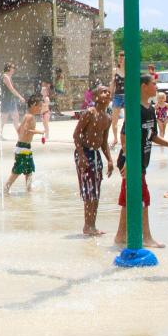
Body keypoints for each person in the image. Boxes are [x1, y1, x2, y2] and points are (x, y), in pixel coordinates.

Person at [113, 73, 168, 248]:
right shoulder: (135, 109)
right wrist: (127, 160)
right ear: (144, 86)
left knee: (128, 199)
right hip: (131, 162)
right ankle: (147, 238)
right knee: (144, 199)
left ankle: (120, 236)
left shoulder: (150, 109)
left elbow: (152, 135)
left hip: (140, 161)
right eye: (153, 84)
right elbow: (124, 136)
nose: (156, 87)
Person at [73, 85, 115, 236]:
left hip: (96, 154)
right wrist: (82, 156)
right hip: (84, 153)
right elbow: (76, 134)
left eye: (109, 92)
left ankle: (92, 225)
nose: (107, 94)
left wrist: (109, 160)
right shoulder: (89, 113)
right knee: (88, 190)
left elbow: (104, 142)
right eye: (103, 91)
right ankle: (87, 225)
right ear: (96, 96)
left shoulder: (108, 118)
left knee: (96, 190)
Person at [4, 94, 46, 196]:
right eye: (39, 106)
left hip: (23, 146)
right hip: (23, 147)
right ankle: (5, 189)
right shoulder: (30, 117)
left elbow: (19, 130)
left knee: (28, 169)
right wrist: (39, 132)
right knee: (18, 170)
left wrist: (22, 139)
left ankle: (29, 189)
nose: (41, 108)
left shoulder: (26, 116)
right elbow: (27, 130)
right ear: (33, 105)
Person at [0, 63, 25, 140]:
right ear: (8, 68)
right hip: (6, 100)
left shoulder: (9, 77)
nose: (14, 69)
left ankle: (19, 135)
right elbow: (11, 89)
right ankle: (0, 135)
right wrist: (20, 97)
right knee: (4, 118)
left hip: (11, 100)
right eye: (13, 68)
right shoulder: (5, 77)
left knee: (16, 117)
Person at [109, 51, 126, 147]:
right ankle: (115, 138)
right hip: (118, 95)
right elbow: (113, 83)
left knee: (127, 119)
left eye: (122, 58)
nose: (120, 59)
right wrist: (109, 93)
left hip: (127, 95)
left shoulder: (128, 70)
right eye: (119, 58)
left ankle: (125, 136)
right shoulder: (115, 70)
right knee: (114, 119)